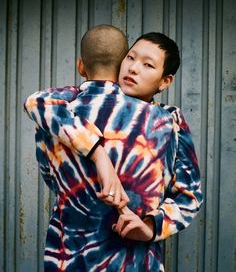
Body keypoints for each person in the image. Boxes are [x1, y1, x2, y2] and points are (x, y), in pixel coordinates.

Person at [24, 25, 203, 271]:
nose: (133, 68)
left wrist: (150, 226)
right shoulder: (167, 123)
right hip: (136, 262)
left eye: (148, 65)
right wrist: (99, 155)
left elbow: (50, 176)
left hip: (69, 257)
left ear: (165, 81)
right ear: (120, 61)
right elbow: (189, 196)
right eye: (130, 58)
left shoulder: (56, 115)